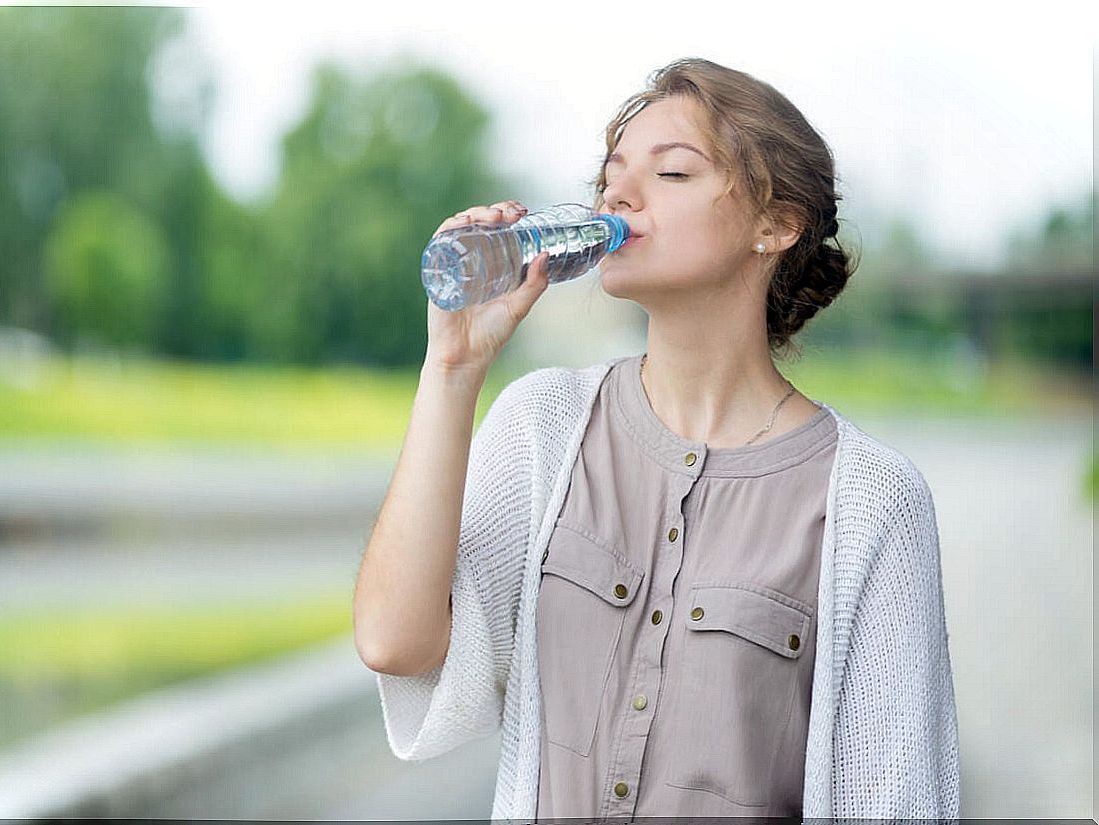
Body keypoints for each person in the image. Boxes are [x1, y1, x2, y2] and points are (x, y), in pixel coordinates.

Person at [353, 57, 960, 821]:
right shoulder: (543, 424)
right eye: (611, 176)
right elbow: (393, 642)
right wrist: (452, 366)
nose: (619, 195)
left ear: (776, 223)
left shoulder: (875, 503)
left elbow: (896, 800)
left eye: (671, 172)